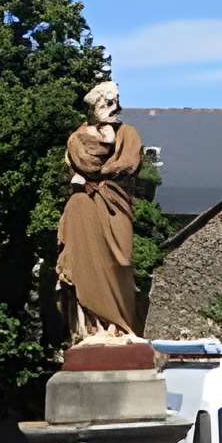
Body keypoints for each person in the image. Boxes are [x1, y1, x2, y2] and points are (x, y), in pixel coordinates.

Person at [58, 80, 145, 345]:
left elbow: (129, 163)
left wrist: (103, 168)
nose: (113, 106)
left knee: (120, 263)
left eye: (116, 100)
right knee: (88, 262)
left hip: (116, 203)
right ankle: (97, 328)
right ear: (94, 106)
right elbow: (81, 160)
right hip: (88, 204)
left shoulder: (127, 133)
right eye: (106, 102)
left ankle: (124, 327)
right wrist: (102, 149)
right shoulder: (79, 136)